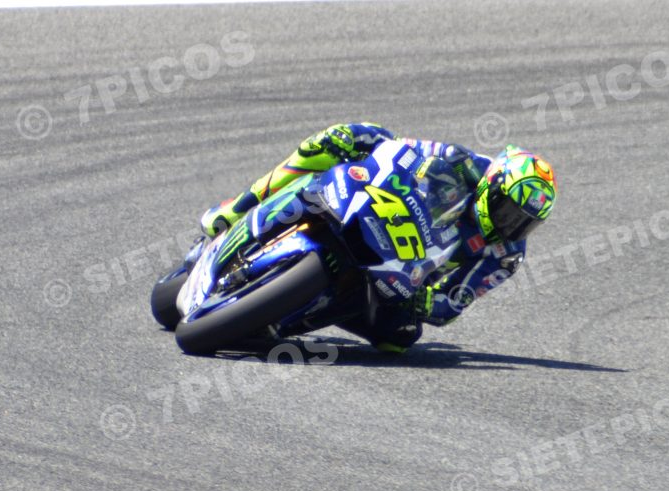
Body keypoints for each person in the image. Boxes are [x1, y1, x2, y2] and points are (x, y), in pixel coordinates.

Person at [200, 123, 558, 352]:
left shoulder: (506, 255)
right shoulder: (461, 162)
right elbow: (398, 151)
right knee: (340, 140)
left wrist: (426, 303)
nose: (511, 226)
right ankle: (241, 207)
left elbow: (456, 301)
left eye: (524, 223)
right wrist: (363, 154)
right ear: (492, 187)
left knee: (400, 337)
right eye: (508, 211)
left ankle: (288, 318)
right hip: (383, 215)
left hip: (404, 274)